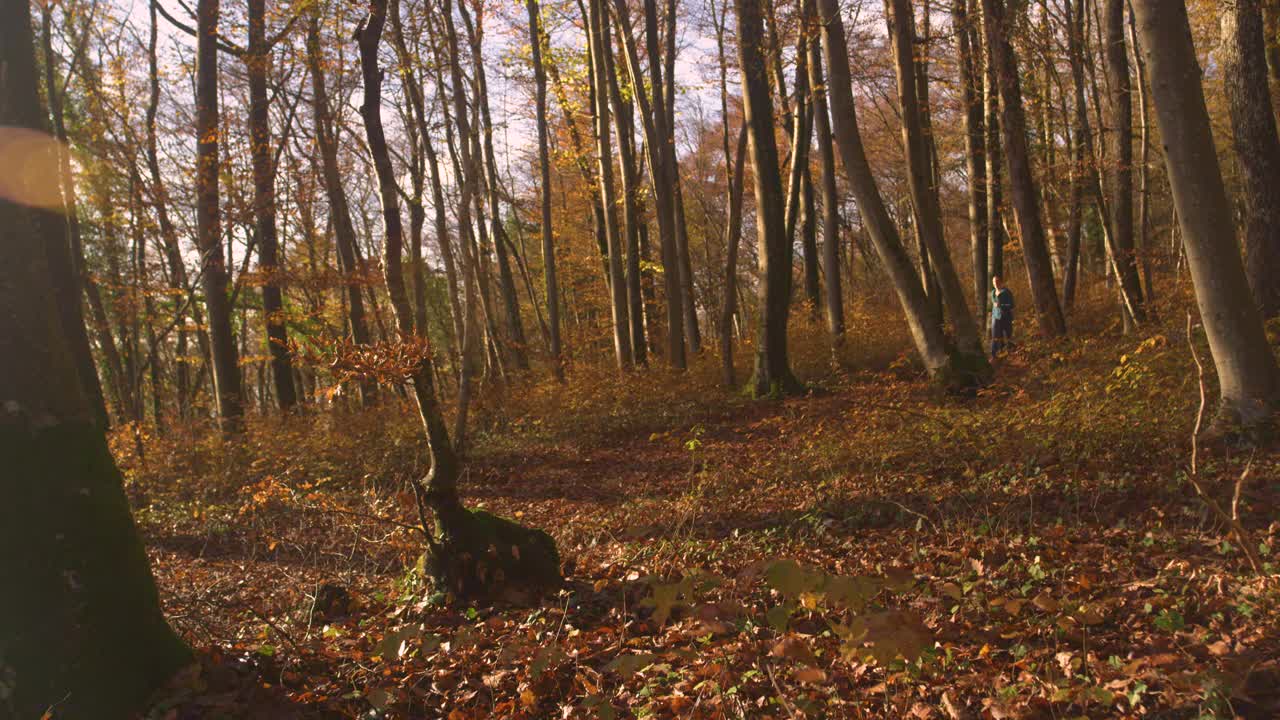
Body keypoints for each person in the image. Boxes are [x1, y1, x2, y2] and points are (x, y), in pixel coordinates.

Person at [990, 275, 1014, 357]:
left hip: (1006, 317)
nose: (995, 283)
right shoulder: (992, 293)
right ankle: (993, 355)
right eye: (994, 282)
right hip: (996, 317)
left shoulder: (1007, 292)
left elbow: (1012, 305)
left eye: (997, 281)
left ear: (1000, 282)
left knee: (1008, 336)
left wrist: (1002, 305)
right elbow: (993, 305)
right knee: (995, 337)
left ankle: (1012, 354)